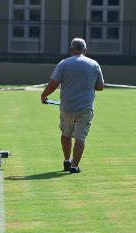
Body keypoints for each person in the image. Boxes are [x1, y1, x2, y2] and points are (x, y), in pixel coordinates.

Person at [41, 38, 104, 174]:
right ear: (85, 50)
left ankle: (67, 160)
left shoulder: (64, 63)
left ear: (71, 50)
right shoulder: (94, 64)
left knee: (66, 134)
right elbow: (100, 87)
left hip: (67, 107)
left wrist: (44, 95)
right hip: (85, 107)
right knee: (80, 138)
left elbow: (53, 84)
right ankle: (75, 166)